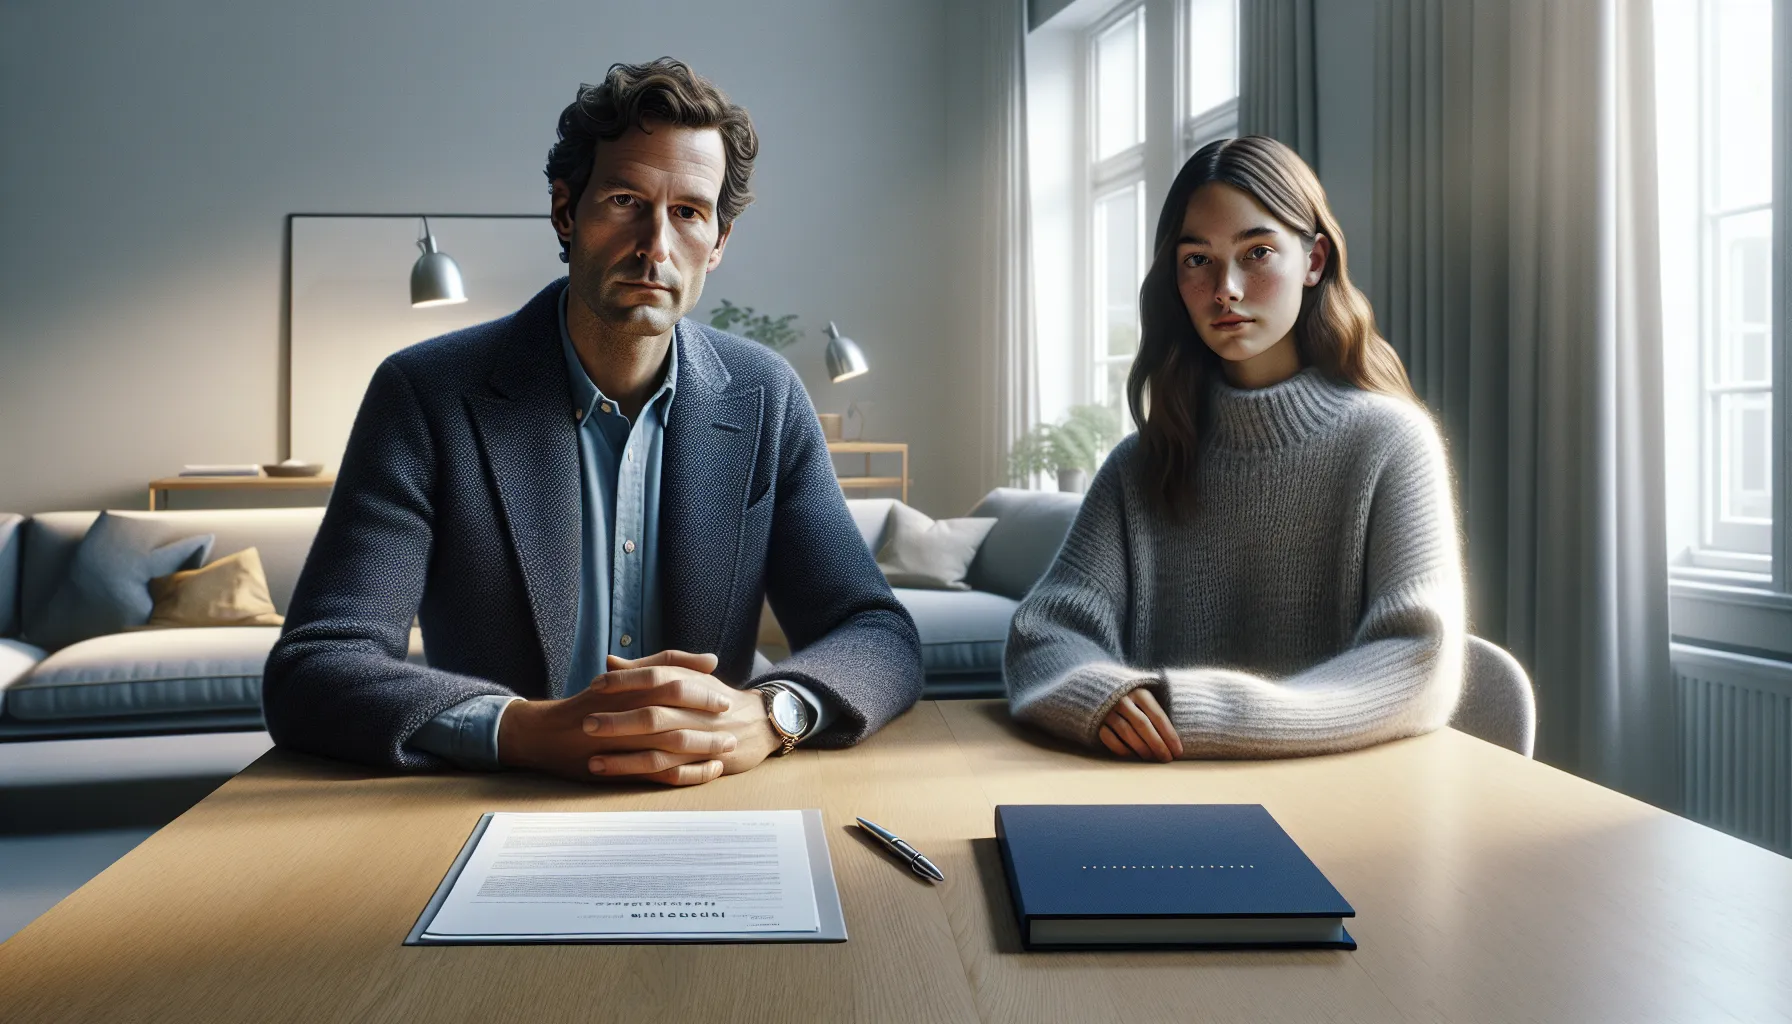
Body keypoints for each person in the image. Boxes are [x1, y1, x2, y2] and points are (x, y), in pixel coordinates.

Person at [263, 58, 923, 784]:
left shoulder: (766, 396)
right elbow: (317, 665)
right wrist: (524, 729)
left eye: (688, 213)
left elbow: (877, 634)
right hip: (494, 802)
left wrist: (775, 713)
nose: (655, 247)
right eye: (623, 200)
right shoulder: (425, 396)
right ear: (565, 211)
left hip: (711, 806)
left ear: (720, 241)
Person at [1005, 135, 1464, 761]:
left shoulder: (1391, 443)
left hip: (1344, 803)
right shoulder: (1140, 466)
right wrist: (1102, 694)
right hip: (1160, 808)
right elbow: (1044, 632)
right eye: (1198, 260)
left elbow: (1420, 663)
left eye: (1258, 252)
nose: (1226, 288)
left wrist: (1196, 714)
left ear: (1315, 260)